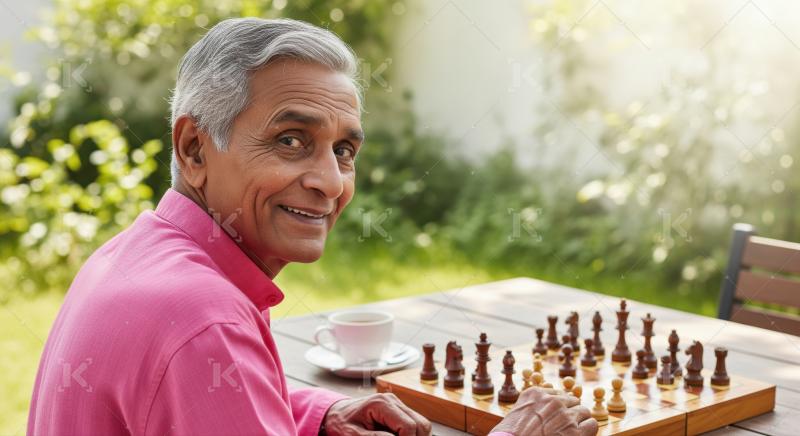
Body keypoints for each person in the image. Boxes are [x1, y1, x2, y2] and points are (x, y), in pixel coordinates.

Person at [27, 18, 597, 436]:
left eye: (344, 150)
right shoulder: (204, 320)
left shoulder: (134, 253)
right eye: (291, 140)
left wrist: (315, 411)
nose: (330, 182)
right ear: (195, 148)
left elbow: (192, 406)